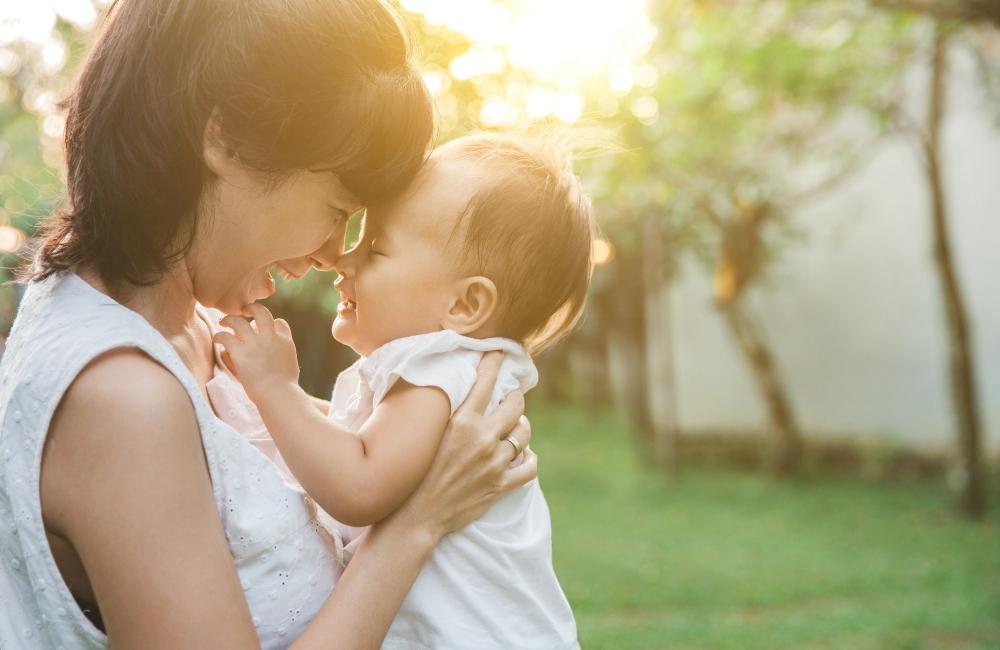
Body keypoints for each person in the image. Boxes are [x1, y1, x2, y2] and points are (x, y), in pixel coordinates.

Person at [0, 1, 534, 648]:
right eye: (337, 207)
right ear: (223, 138)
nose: (336, 252)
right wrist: (418, 523)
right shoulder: (122, 400)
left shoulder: (185, 330)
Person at [215, 133, 592, 649]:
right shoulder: (452, 372)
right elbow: (356, 440)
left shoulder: (442, 369)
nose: (345, 261)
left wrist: (274, 389)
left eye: (377, 249)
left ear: (464, 306)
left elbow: (360, 486)